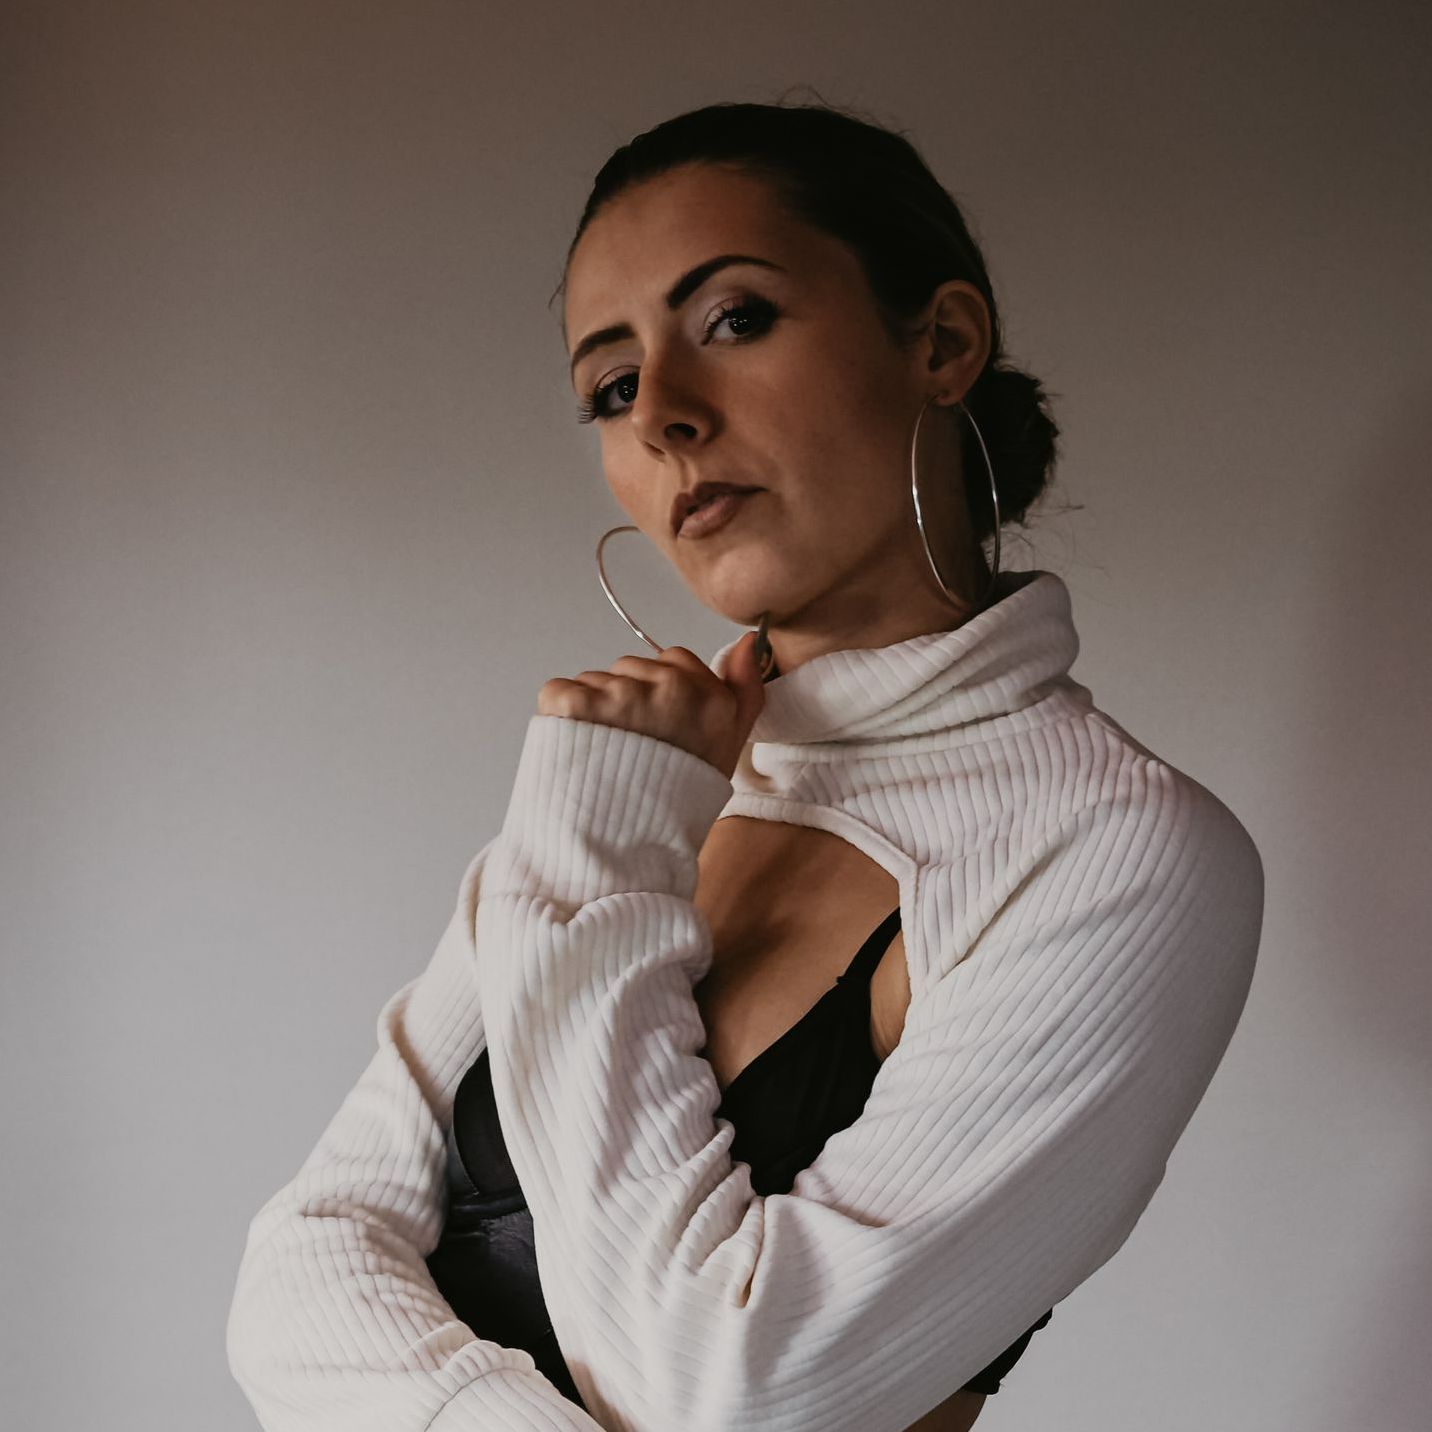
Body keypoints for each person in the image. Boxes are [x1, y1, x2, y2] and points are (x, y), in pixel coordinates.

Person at [227, 98, 1265, 1432]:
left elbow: (741, 1389)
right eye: (611, 387)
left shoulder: (1118, 851)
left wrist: (602, 845)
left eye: (733, 320)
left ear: (942, 342)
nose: (663, 413)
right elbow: (296, 1271)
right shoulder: (623, 790)